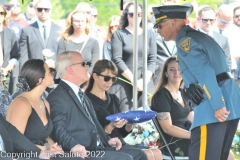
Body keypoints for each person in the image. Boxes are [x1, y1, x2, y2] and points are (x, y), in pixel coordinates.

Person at [152, 5, 240, 160]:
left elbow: (205, 74)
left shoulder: (186, 42)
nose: (158, 30)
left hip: (213, 107)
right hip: (229, 100)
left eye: (160, 26)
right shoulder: (196, 37)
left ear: (172, 22)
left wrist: (218, 105)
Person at [47, 51, 148, 160]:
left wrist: (107, 139)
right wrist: (73, 145)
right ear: (70, 69)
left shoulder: (81, 95)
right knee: (126, 158)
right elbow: (57, 128)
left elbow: (94, 125)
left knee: (140, 155)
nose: (87, 68)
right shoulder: (57, 96)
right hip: (83, 151)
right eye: (83, 64)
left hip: (98, 147)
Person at [85, 59, 162, 160]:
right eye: (107, 78)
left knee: (156, 152)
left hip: (120, 143)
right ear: (95, 76)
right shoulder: (86, 101)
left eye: (113, 79)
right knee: (146, 155)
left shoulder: (113, 98)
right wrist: (110, 127)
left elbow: (122, 132)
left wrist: (129, 124)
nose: (110, 82)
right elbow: (90, 135)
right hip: (104, 146)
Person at [6, 59, 64, 153]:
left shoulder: (45, 103)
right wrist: (46, 150)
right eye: (50, 71)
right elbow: (15, 142)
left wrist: (55, 147)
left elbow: (45, 137)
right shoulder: (22, 104)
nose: (53, 73)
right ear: (40, 80)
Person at [110, 2, 156, 111]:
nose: (136, 17)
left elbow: (153, 59)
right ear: (126, 15)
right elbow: (117, 59)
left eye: (139, 14)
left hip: (146, 84)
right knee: (126, 121)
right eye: (132, 14)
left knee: (146, 121)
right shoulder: (119, 34)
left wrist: (144, 80)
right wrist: (134, 81)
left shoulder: (149, 34)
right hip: (124, 83)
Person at [151, 57, 192, 157]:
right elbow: (167, 128)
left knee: (222, 150)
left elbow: (193, 119)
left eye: (179, 69)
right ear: (166, 73)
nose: (176, 72)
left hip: (190, 137)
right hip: (175, 143)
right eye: (172, 69)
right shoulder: (161, 95)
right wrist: (193, 135)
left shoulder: (184, 94)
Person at [19, 0, 61, 70]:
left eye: (46, 9)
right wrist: (24, 76)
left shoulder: (59, 30)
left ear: (50, 10)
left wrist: (56, 64)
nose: (43, 12)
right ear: (35, 10)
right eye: (40, 9)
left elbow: (63, 54)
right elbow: (23, 56)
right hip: (34, 73)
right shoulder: (27, 30)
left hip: (55, 73)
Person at [57, 9, 100, 74]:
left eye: (82, 21)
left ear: (86, 23)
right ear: (71, 22)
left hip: (87, 79)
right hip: (68, 78)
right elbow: (60, 63)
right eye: (77, 21)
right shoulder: (64, 41)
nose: (80, 24)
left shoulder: (93, 42)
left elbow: (95, 65)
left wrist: (84, 75)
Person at [196, 5, 231, 70]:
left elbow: (228, 63)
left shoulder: (223, 39)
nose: (208, 23)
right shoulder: (189, 38)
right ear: (198, 19)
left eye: (211, 20)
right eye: (205, 20)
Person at [0, 4, 19, 94]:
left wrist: (8, 68)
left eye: (1, 13)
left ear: (4, 15)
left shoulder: (10, 33)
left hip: (6, 76)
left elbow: (15, 55)